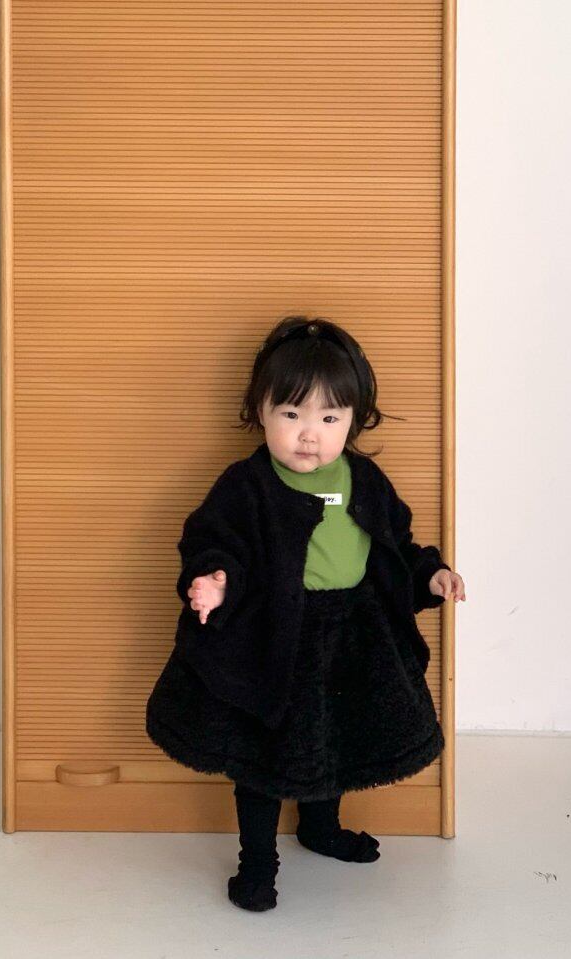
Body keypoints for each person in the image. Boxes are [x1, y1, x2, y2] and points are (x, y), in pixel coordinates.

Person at [145, 315, 466, 912]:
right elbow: (216, 541)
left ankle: (321, 828)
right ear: (260, 411)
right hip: (274, 636)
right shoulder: (246, 484)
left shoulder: (364, 479)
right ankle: (257, 863)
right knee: (263, 756)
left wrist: (431, 574)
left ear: (354, 420)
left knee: (331, 739)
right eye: (291, 414)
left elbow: (395, 544)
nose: (308, 435)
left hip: (352, 633)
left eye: (329, 418)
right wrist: (214, 581)